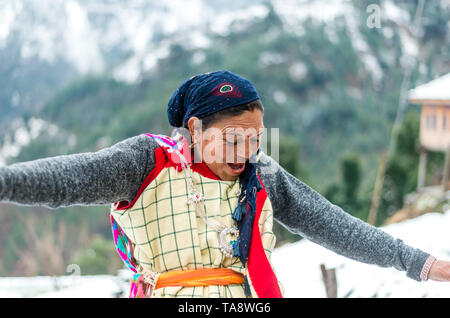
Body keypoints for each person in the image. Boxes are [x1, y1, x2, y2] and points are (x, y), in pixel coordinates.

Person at [0, 70, 448, 298]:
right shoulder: (147, 162)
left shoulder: (262, 176)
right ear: (194, 129)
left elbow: (335, 227)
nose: (245, 152)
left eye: (254, 140)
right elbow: (67, 178)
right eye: (233, 139)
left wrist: (422, 264)